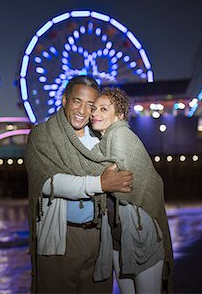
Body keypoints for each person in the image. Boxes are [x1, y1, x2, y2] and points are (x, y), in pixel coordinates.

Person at [25, 75, 134, 293]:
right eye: (77, 101)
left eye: (91, 105)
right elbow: (49, 183)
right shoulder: (41, 136)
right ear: (64, 100)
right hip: (61, 236)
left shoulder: (103, 139)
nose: (83, 110)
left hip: (99, 235)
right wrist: (101, 184)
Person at [90, 87, 174, 293]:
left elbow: (121, 182)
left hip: (139, 231)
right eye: (94, 108)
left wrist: (98, 180)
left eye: (103, 109)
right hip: (120, 233)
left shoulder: (120, 136)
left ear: (118, 115)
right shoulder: (104, 142)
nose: (94, 113)